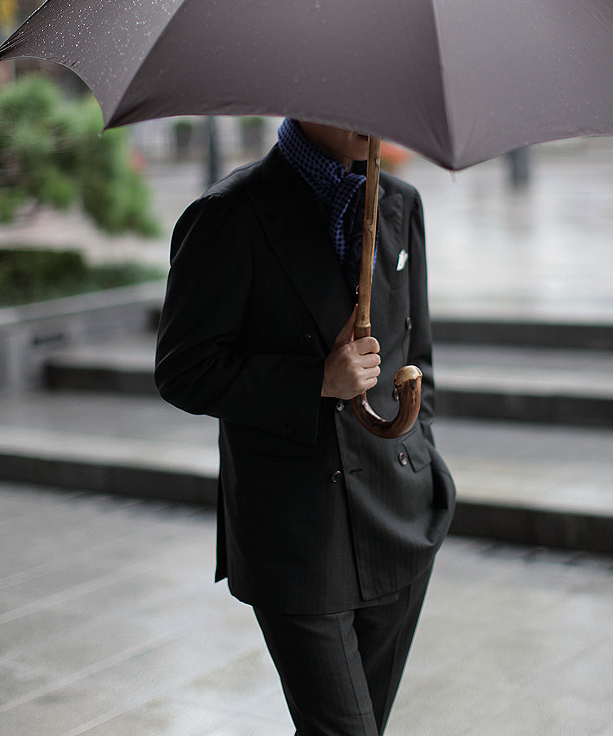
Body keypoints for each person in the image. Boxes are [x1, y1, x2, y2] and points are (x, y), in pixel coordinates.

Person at [155, 118, 455, 736]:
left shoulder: (399, 203)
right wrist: (315, 381)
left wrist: (418, 450)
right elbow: (184, 371)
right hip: (296, 530)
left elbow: (416, 353)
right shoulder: (229, 214)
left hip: (400, 511)